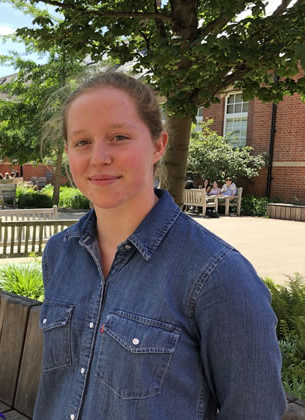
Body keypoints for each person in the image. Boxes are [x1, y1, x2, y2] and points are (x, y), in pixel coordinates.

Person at [33, 72, 285, 419]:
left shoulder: (217, 275)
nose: (99, 157)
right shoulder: (59, 254)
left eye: (118, 137)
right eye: (82, 142)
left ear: (158, 145)